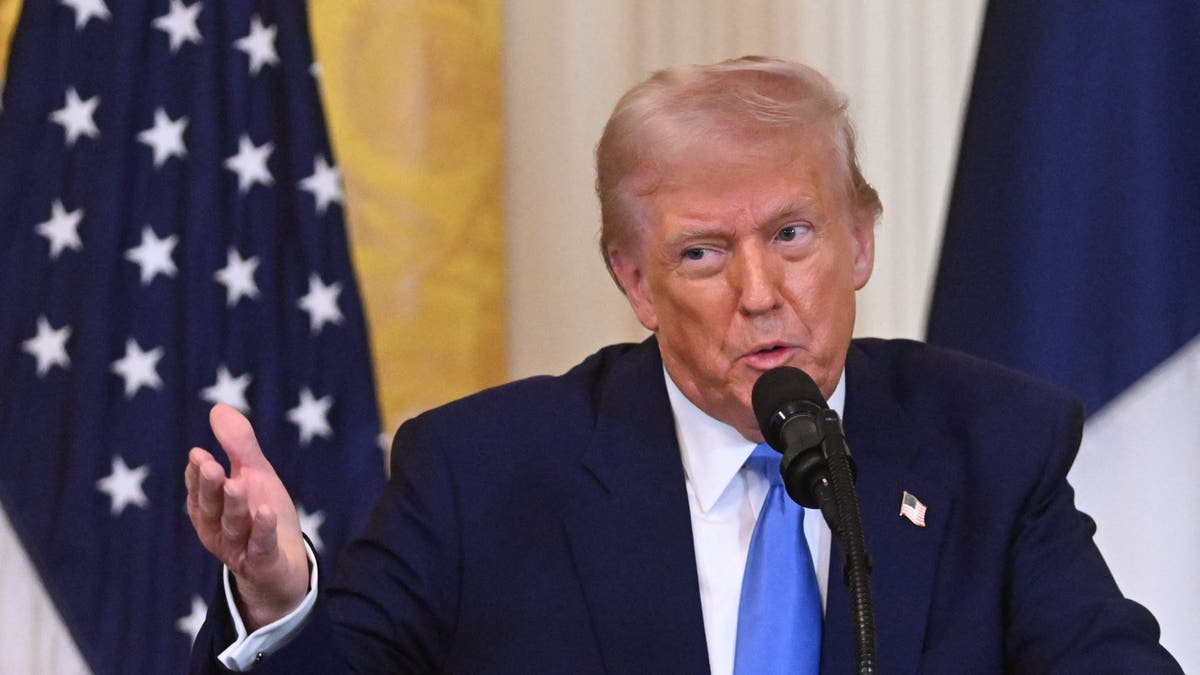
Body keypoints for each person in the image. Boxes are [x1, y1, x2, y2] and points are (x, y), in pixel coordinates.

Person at [185, 56, 1182, 673]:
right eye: (703, 252)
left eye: (793, 234)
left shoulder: (988, 448)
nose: (759, 291)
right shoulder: (484, 472)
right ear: (634, 280)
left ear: (862, 242)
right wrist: (277, 597)